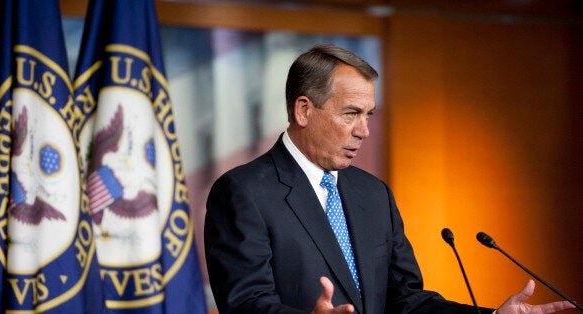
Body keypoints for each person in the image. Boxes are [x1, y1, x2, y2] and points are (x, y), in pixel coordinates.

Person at [203, 43, 575, 314]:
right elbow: (246, 303)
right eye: (351, 113)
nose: (364, 130)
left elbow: (407, 301)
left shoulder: (373, 194)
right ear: (304, 110)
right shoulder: (244, 192)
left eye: (369, 114)